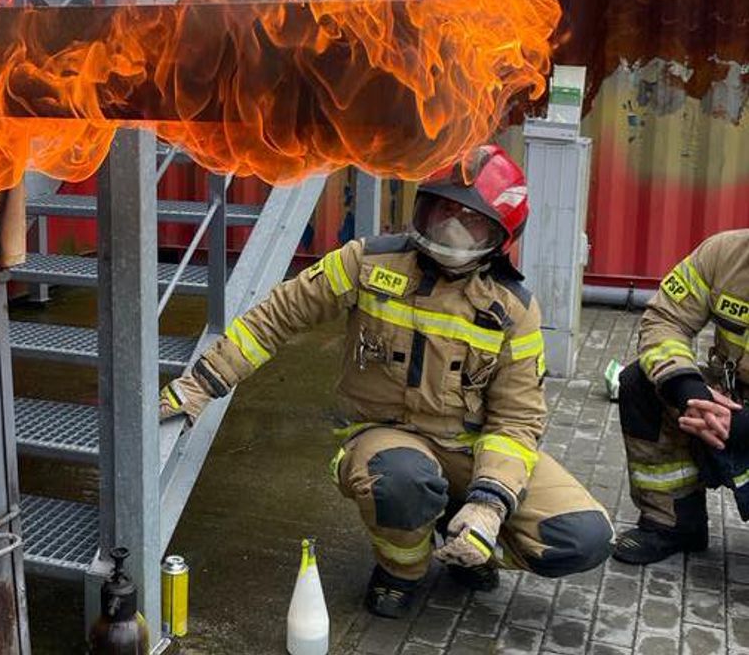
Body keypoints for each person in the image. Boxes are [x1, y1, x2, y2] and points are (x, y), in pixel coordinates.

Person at [159, 144, 614, 618]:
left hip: (472, 451)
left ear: (499, 235)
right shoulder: (367, 262)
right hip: (385, 439)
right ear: (422, 207)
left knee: (582, 537)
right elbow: (275, 318)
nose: (451, 228)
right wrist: (200, 386)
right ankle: (402, 572)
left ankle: (463, 540)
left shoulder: (513, 310)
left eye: (470, 220)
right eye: (442, 211)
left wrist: (489, 505)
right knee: (401, 482)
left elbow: (517, 421)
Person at [614, 229, 749, 564]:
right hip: (727, 403)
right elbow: (666, 318)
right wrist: (688, 389)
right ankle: (673, 523)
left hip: (738, 418)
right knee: (641, 380)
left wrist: (744, 426)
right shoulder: (725, 253)